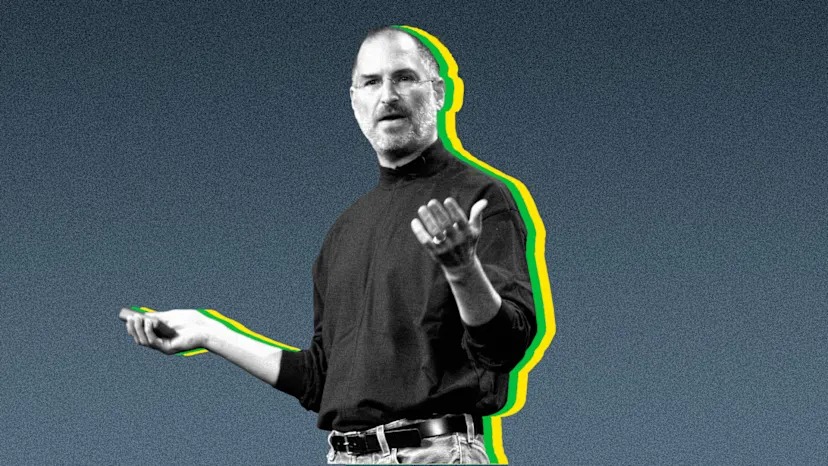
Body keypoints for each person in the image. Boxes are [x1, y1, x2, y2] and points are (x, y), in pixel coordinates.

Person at [124, 26, 537, 464]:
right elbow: (321, 380)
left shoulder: (479, 199)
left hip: (434, 454)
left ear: (437, 92)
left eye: (404, 77)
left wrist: (462, 270)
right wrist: (209, 333)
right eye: (371, 82)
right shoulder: (344, 231)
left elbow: (504, 347)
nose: (388, 95)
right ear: (355, 102)